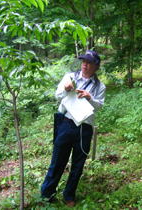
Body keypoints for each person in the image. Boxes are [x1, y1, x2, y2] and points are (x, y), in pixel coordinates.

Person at [41, 50, 106, 206]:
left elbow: (99, 107)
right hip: (66, 122)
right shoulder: (69, 77)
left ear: (96, 66)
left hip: (85, 127)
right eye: (84, 61)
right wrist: (66, 89)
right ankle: (46, 194)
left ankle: (69, 195)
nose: (85, 64)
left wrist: (90, 97)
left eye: (89, 62)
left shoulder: (100, 86)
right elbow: (57, 95)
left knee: (78, 162)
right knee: (58, 160)